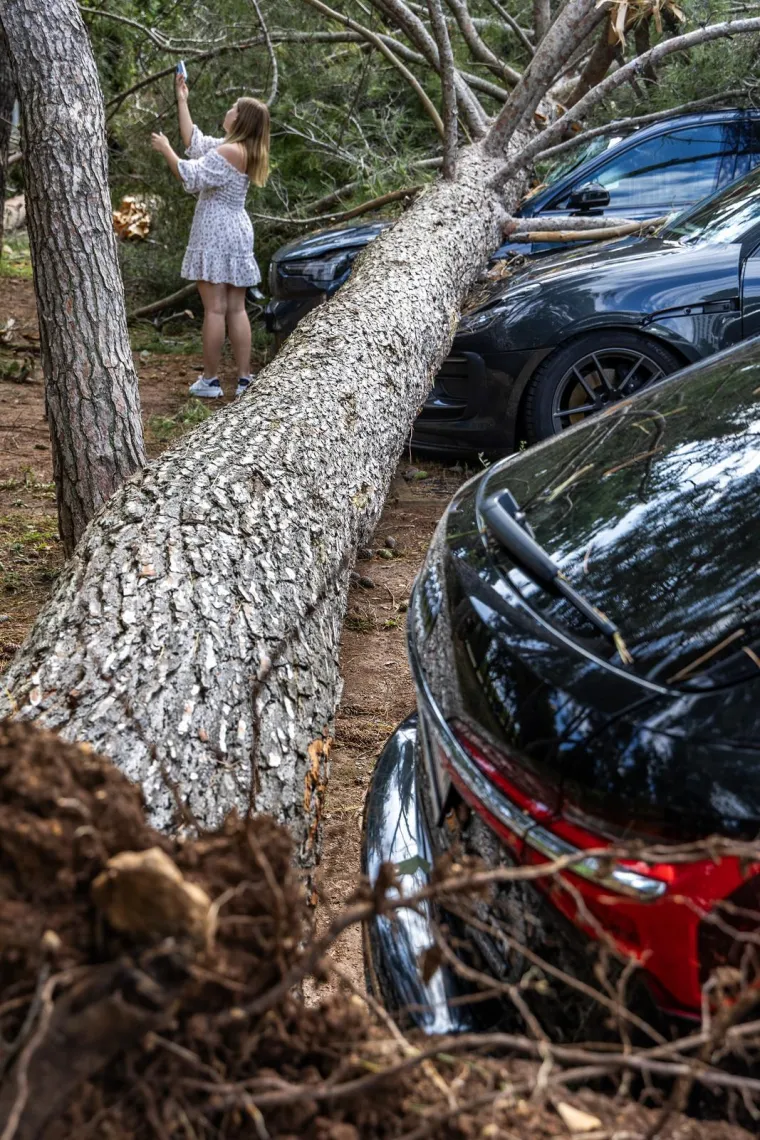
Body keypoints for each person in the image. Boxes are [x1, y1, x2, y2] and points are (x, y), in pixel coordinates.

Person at [151, 75, 269, 399]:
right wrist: (182, 99)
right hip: (237, 230)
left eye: (234, 108)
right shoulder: (240, 148)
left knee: (215, 309)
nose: (229, 110)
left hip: (216, 230)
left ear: (241, 119)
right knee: (236, 308)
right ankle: (245, 378)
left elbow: (190, 175)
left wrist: (165, 150)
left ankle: (211, 380)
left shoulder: (229, 151)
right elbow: (194, 140)